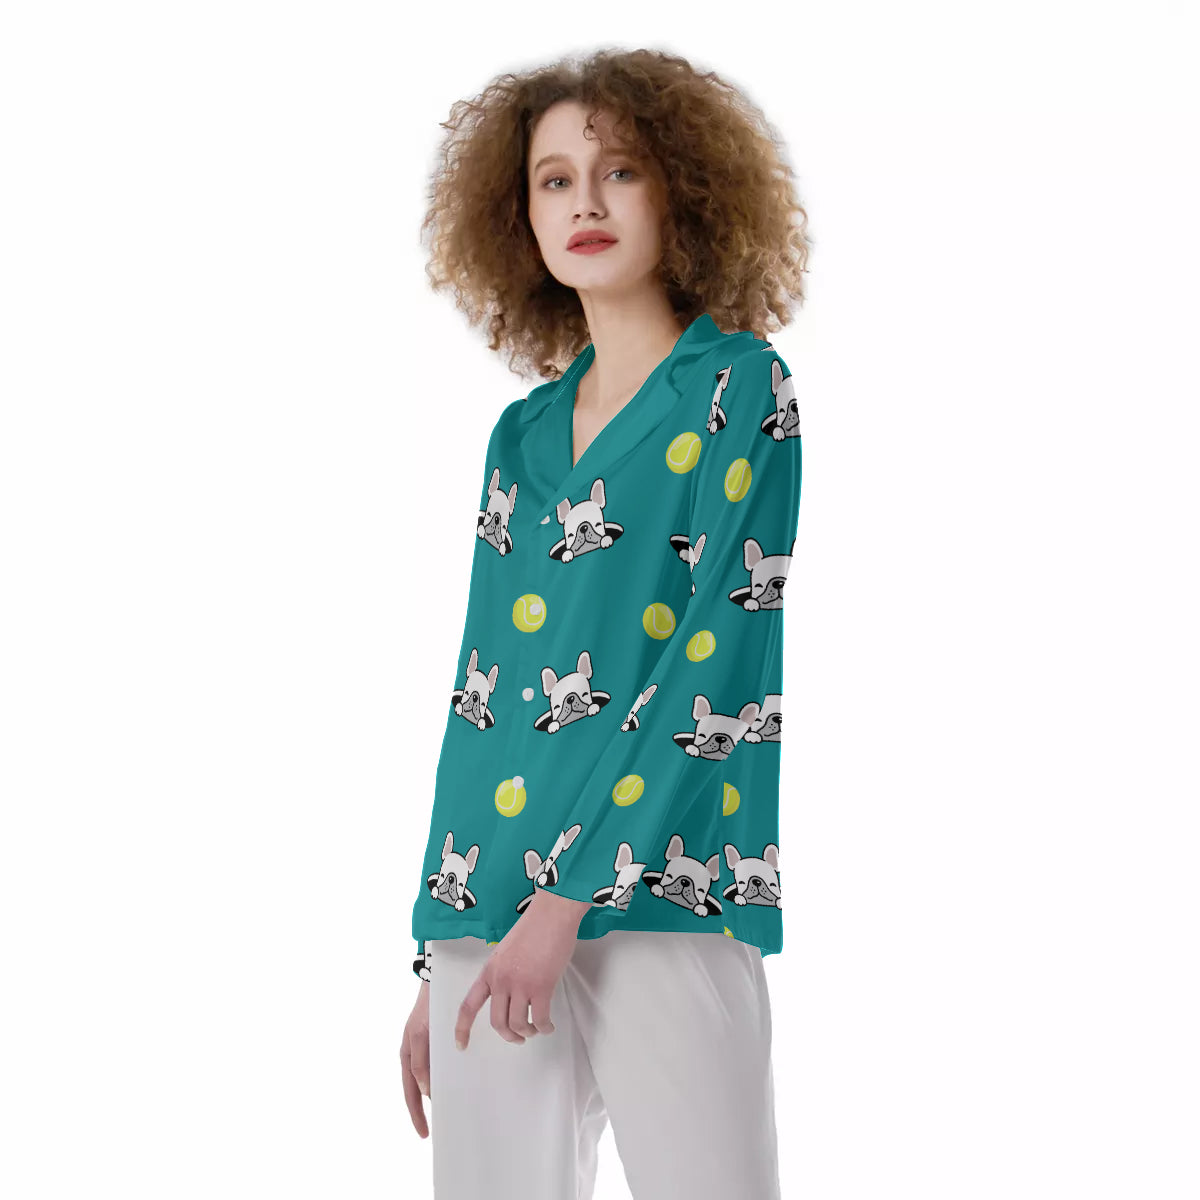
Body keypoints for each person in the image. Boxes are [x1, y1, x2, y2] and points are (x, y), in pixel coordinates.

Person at [398, 47, 810, 1198]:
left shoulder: (740, 390)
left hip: (662, 893)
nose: (584, 201)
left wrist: (568, 901)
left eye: (619, 171)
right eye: (553, 179)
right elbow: (483, 683)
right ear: (518, 214)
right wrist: (438, 944)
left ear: (682, 190)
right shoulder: (521, 436)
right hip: (488, 905)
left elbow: (721, 657)